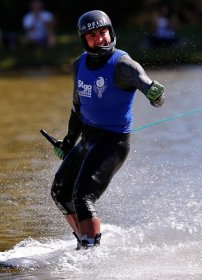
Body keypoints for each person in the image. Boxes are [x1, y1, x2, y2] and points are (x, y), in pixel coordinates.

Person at [50, 10, 165, 249]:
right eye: (92, 35)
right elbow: (77, 108)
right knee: (60, 193)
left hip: (113, 143)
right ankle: (85, 244)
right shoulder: (78, 65)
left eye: (103, 33)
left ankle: (90, 255)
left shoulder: (123, 65)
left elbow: (151, 90)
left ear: (111, 32)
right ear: (84, 39)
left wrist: (156, 94)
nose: (100, 39)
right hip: (87, 139)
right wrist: (68, 142)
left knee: (83, 197)